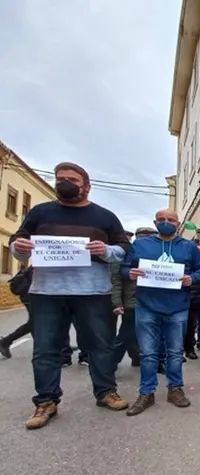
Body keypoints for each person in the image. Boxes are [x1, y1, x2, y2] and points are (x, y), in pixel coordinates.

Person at [10, 161, 131, 429]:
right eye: (60, 178)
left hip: (92, 292)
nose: (64, 183)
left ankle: (105, 392)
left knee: (100, 345)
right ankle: (45, 401)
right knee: (46, 349)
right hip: (47, 292)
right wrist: (18, 248)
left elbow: (123, 248)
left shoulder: (104, 216)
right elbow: (19, 245)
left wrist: (106, 250)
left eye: (72, 180)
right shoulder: (40, 213)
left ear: (86, 187)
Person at [123, 209, 200, 416]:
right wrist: (130, 273)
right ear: (155, 222)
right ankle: (146, 393)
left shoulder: (189, 247)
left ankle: (175, 389)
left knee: (175, 352)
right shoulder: (141, 244)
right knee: (148, 353)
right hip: (146, 306)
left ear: (178, 223)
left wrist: (193, 279)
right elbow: (124, 267)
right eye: (161, 220)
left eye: (170, 220)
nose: (166, 222)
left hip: (177, 307)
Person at [110, 227, 157, 369]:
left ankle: (137, 358)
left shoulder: (156, 254)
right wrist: (117, 303)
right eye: (143, 236)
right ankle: (111, 363)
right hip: (133, 302)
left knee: (144, 335)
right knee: (125, 335)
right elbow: (116, 281)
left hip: (153, 302)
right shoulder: (127, 254)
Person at [0, 265, 34, 359]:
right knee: (34, 323)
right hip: (30, 296)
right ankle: (5, 342)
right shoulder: (42, 261)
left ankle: (63, 346)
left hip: (31, 295)